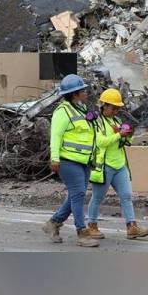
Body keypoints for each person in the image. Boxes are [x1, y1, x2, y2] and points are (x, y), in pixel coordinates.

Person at [41, 74, 99, 247]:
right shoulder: (62, 112)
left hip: (84, 161)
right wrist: (55, 159)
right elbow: (56, 137)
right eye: (83, 90)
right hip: (68, 161)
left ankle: (53, 223)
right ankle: (82, 233)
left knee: (76, 195)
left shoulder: (79, 109)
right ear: (75, 93)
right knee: (78, 194)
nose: (86, 92)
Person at [86, 88, 148, 240]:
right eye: (113, 108)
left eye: (117, 108)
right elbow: (100, 142)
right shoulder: (97, 122)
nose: (115, 111)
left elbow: (124, 142)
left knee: (126, 196)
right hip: (104, 166)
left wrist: (128, 136)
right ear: (104, 106)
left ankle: (132, 227)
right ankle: (92, 226)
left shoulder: (117, 121)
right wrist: (118, 135)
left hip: (120, 165)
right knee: (97, 197)